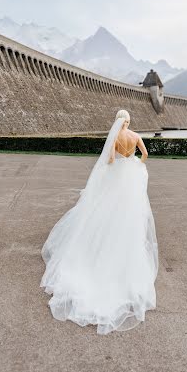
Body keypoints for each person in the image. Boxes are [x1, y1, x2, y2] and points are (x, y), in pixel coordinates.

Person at [40, 109, 159, 334]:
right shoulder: (135, 136)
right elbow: (145, 155)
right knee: (130, 214)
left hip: (116, 178)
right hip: (131, 179)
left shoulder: (115, 137)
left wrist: (118, 162)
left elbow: (111, 160)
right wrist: (134, 164)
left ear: (117, 120)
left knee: (105, 211)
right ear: (129, 120)